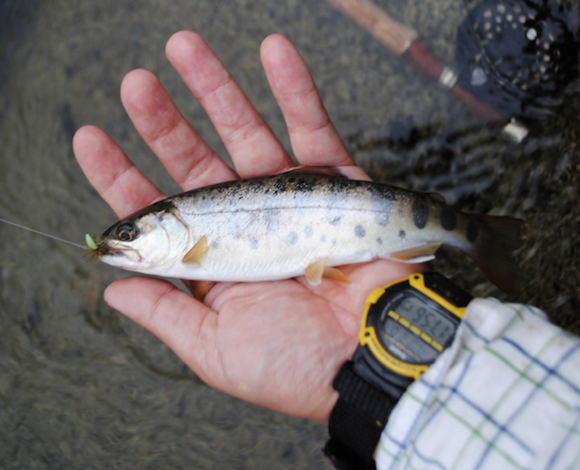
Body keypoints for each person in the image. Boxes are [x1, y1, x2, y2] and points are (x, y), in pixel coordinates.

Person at [73, 31, 580, 469]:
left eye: (131, 233)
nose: (122, 243)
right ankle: (473, 233)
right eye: (125, 236)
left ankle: (473, 234)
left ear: (168, 224)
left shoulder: (194, 248)